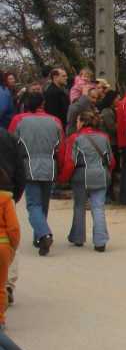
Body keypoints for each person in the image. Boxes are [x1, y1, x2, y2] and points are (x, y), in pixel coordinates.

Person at [11, 92, 62, 255]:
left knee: (33, 204)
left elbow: (12, 142)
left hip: (29, 164)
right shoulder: (55, 121)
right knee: (44, 203)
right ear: (43, 104)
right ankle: (39, 236)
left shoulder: (19, 120)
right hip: (50, 165)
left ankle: (43, 234)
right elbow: (62, 145)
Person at [66, 109, 114, 252]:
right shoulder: (104, 137)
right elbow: (111, 161)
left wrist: (64, 178)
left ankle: (78, 238)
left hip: (81, 174)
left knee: (79, 206)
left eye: (77, 121)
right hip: (101, 173)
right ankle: (100, 241)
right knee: (98, 207)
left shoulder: (75, 138)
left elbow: (70, 162)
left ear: (82, 122)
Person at [0, 170, 19, 328]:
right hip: (2, 246)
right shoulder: (6, 200)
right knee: (0, 285)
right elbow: (13, 228)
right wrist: (13, 246)